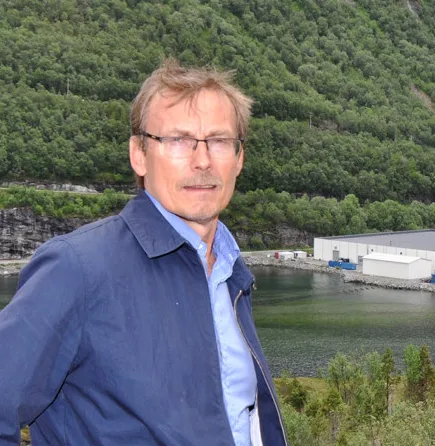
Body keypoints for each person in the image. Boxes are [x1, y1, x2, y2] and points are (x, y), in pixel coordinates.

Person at [0, 59, 287, 446]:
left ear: (239, 159)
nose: (202, 160)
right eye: (178, 140)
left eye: (219, 141)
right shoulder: (77, 269)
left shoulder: (229, 272)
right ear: (139, 154)